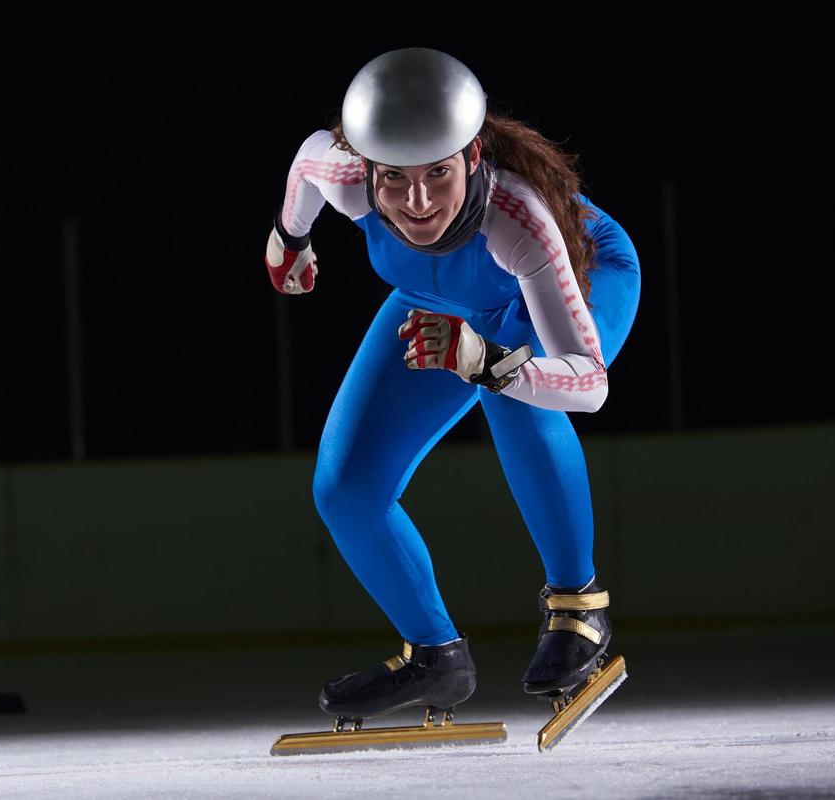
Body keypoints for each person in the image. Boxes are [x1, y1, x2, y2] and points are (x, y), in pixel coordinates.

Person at [264, 47, 641, 733]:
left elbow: (587, 384)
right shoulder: (342, 173)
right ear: (365, 171)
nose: (416, 204)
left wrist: (486, 363)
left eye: (437, 175)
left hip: (575, 275)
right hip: (438, 298)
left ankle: (578, 605)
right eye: (393, 181)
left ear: (470, 159)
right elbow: (304, 167)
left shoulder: (518, 218)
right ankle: (434, 654)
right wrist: (288, 241)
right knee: (344, 487)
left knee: (515, 390)